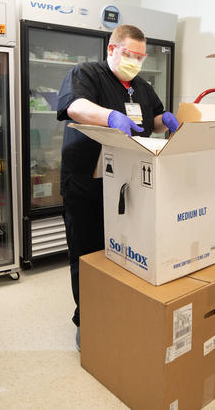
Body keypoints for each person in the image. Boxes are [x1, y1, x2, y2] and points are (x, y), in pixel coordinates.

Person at [56, 25, 180, 350]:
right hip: (86, 179)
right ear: (112, 49)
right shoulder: (86, 73)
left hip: (124, 182)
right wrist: (110, 116)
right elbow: (74, 106)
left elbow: (151, 118)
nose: (135, 62)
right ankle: (87, 318)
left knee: (119, 249)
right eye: (129, 54)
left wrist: (164, 119)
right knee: (86, 251)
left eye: (140, 56)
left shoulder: (140, 86)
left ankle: (114, 308)